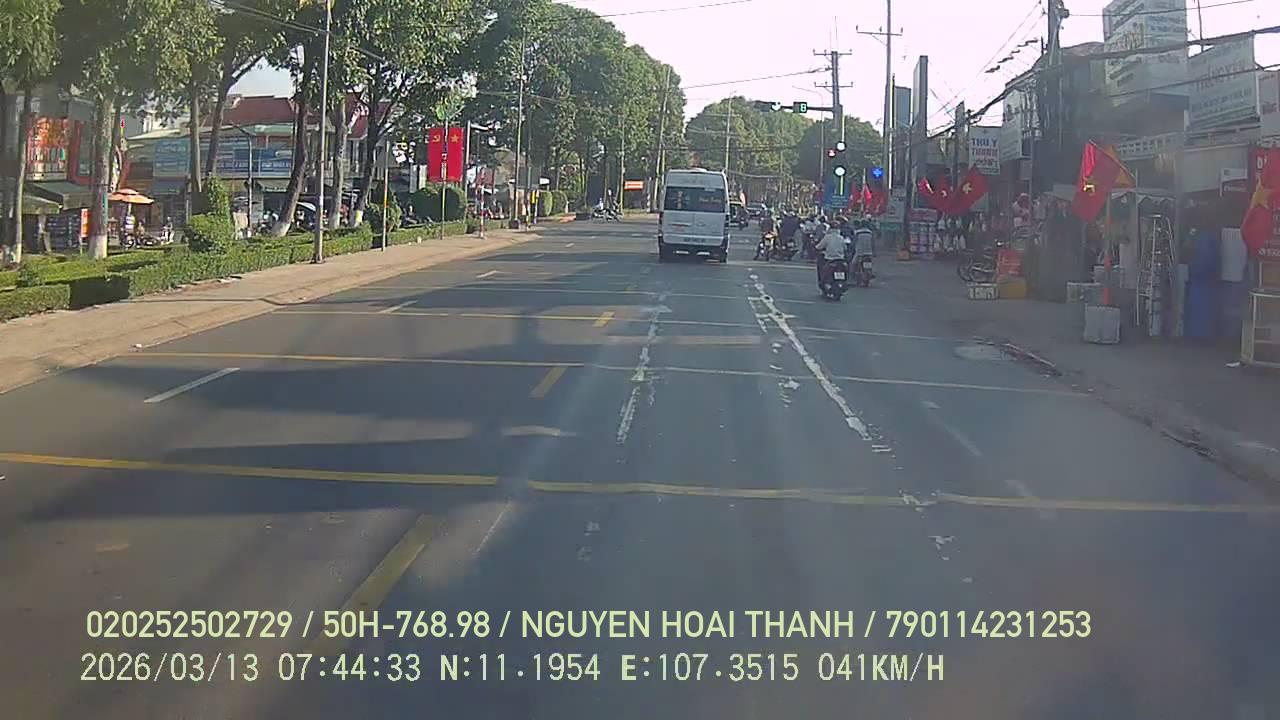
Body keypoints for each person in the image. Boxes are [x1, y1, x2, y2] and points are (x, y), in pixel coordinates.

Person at [814, 216, 849, 286]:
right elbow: (845, 248)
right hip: (840, 259)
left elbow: (819, 247)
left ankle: (823, 282)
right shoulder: (841, 238)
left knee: (822, 270)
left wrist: (817, 248)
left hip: (830, 259)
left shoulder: (827, 237)